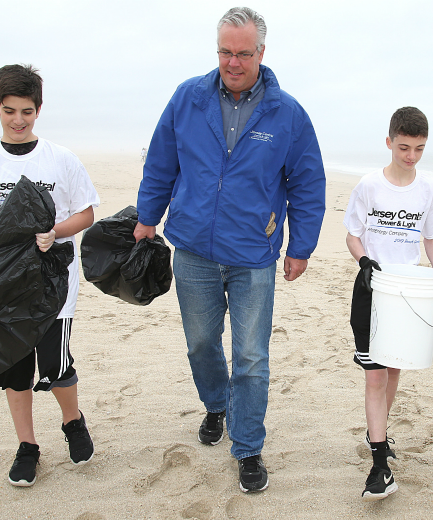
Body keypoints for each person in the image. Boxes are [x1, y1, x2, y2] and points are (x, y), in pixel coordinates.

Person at [133, 6, 325, 493]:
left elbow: (307, 185)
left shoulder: (288, 114)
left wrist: (300, 247)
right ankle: (216, 404)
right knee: (201, 343)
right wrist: (147, 218)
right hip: (193, 248)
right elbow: (161, 162)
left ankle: (248, 447)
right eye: (224, 51)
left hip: (253, 256)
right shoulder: (187, 98)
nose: (232, 62)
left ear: (262, 52)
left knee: (252, 356)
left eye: (243, 53)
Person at [0, 64, 101, 488]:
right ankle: (27, 447)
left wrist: (55, 232)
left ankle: (72, 422)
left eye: (28, 111)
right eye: (10, 110)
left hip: (55, 279)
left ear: (38, 110)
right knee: (14, 366)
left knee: (55, 363)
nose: (19, 120)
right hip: (4, 284)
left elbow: (86, 212)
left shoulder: (60, 159)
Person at [343, 107, 433, 501]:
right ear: (389, 142)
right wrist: (364, 259)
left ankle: (380, 436)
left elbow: (431, 237)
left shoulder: (430, 190)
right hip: (372, 288)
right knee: (374, 375)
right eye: (404, 148)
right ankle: (379, 463)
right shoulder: (369, 186)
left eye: (419, 149)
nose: (411, 157)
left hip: (409, 291)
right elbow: (353, 235)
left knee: (393, 371)